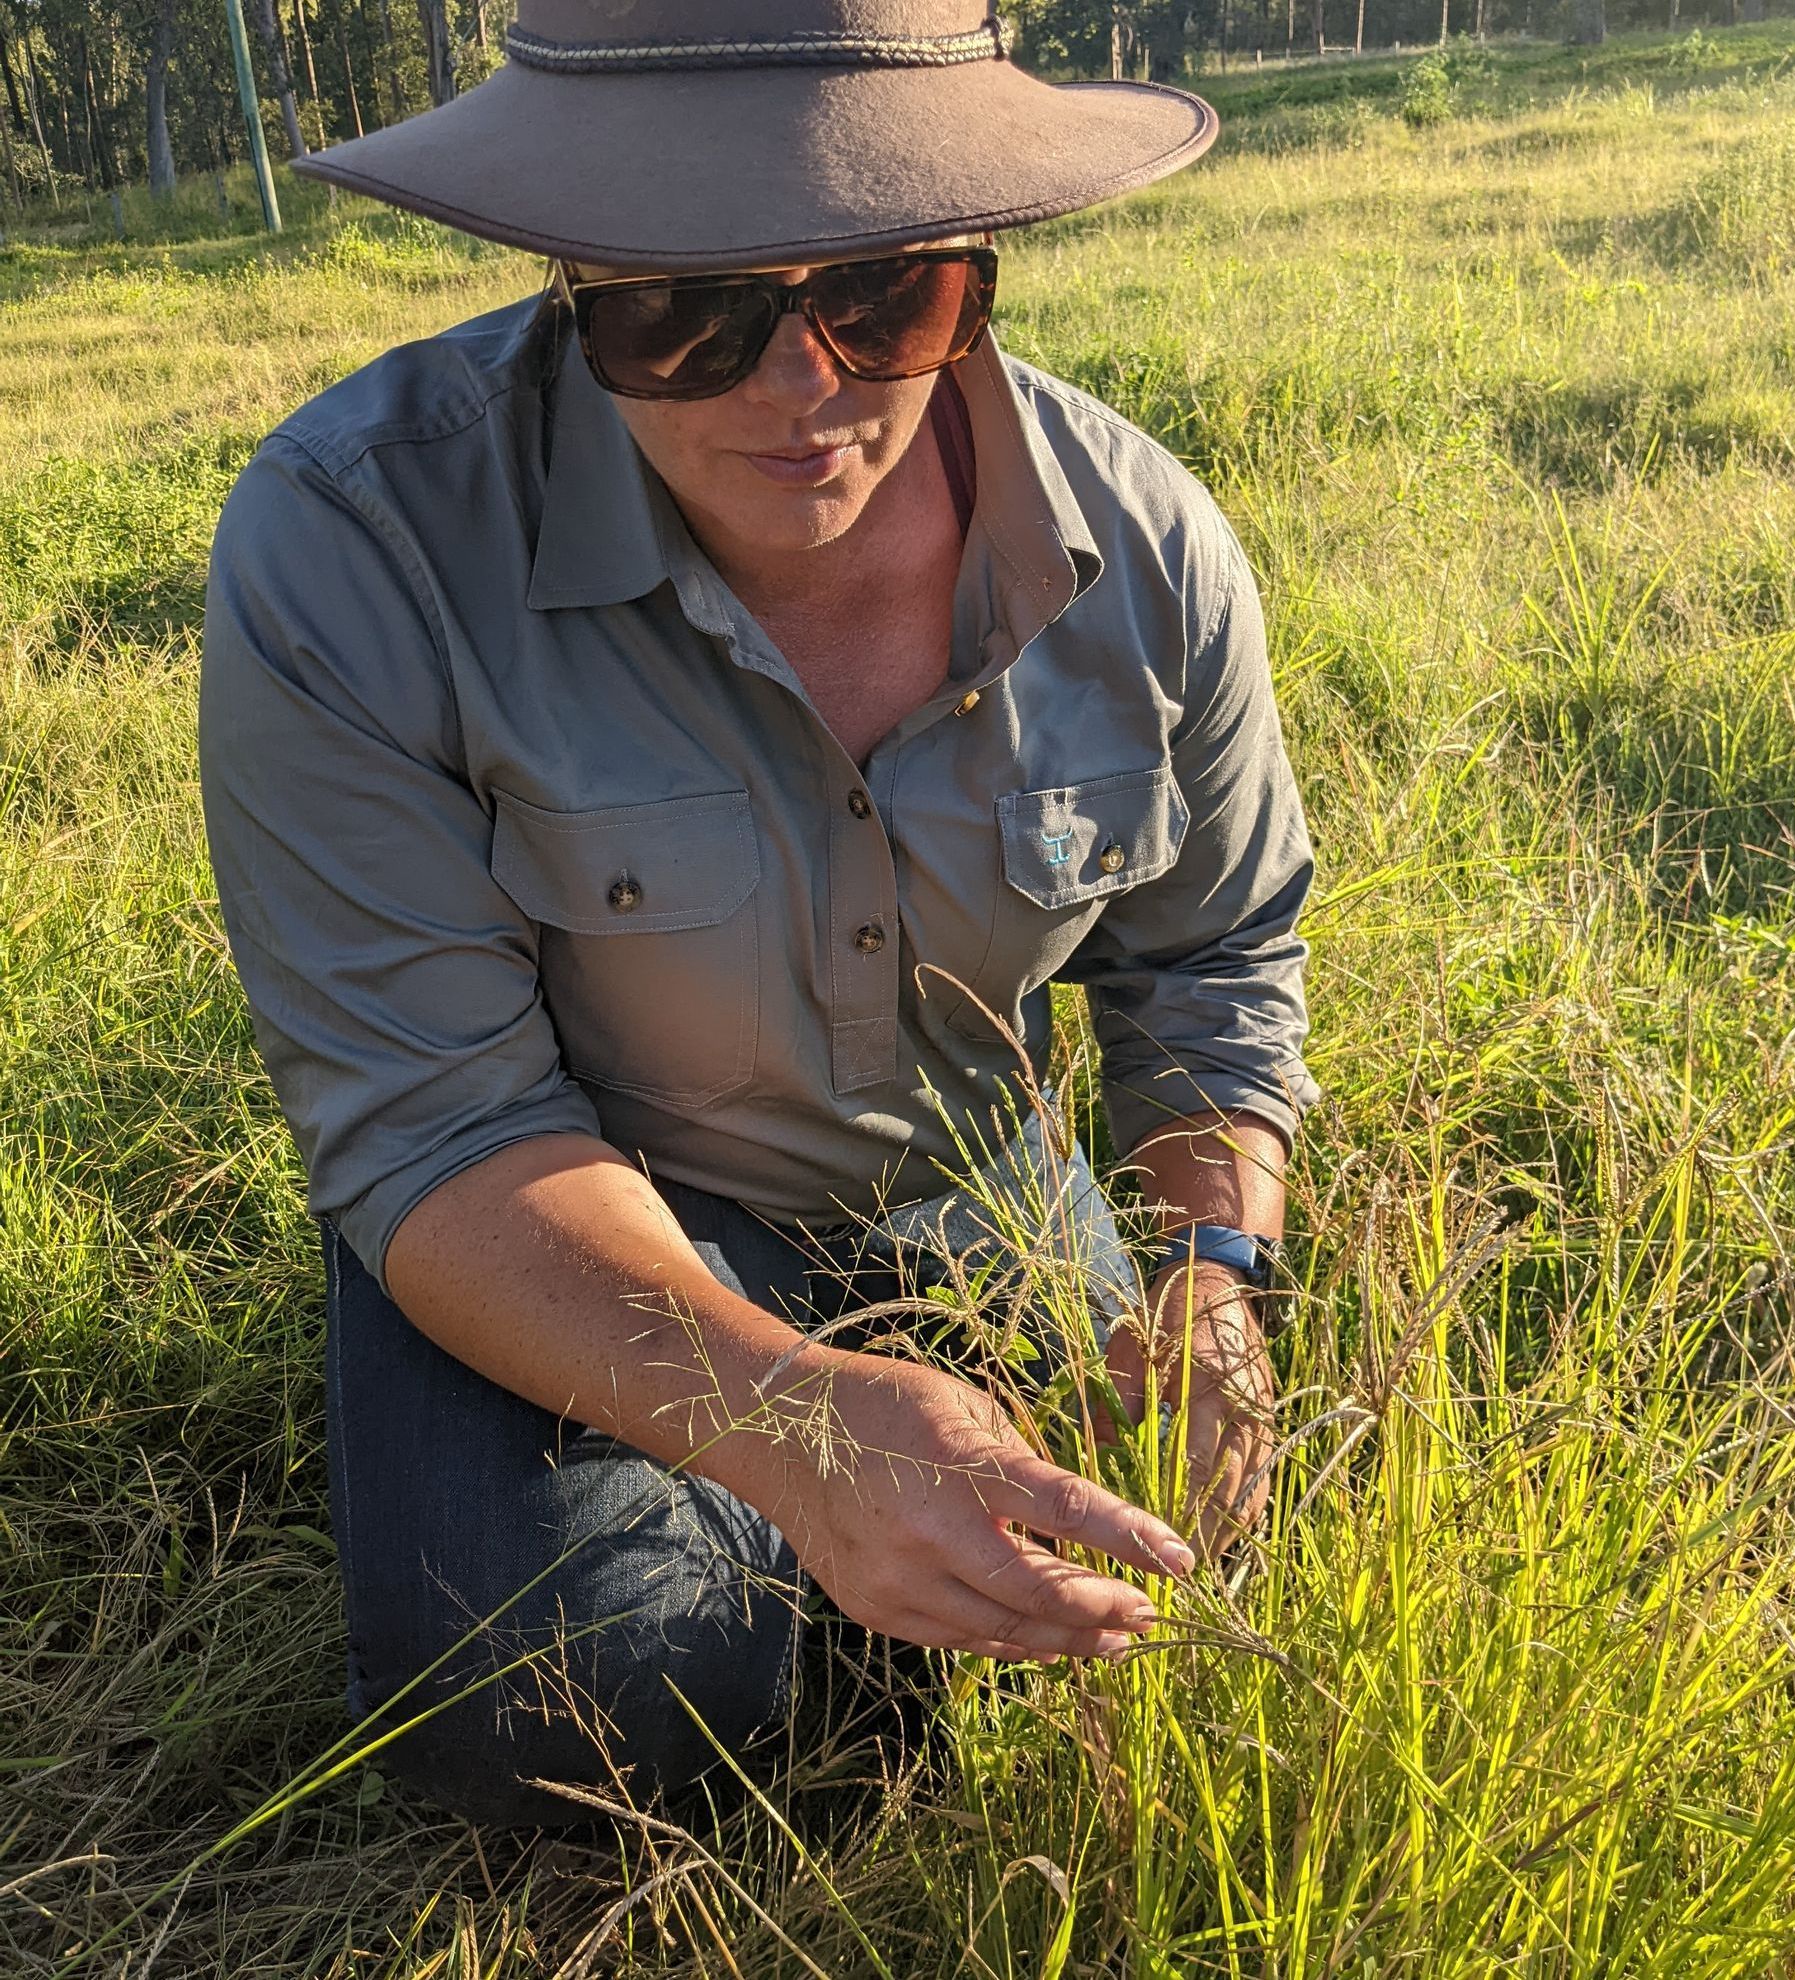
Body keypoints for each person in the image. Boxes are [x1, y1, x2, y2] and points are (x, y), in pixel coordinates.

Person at [198, 0, 1320, 1831]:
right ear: (570, 275)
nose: (801, 386)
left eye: (885, 298)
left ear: (980, 265)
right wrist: (805, 1429)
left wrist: (1210, 1282)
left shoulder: (1150, 544)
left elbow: (1209, 965)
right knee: (579, 1719)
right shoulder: (356, 545)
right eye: (685, 313)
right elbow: (437, 1118)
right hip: (573, 1191)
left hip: (968, 1171)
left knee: (1170, 1566)